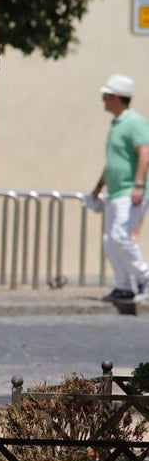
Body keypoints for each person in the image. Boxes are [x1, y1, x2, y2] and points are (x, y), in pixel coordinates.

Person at [89, 74, 149, 302]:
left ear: (116, 97)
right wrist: (98, 187)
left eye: (106, 96)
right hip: (115, 192)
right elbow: (113, 161)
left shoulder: (134, 122)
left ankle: (145, 277)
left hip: (129, 191)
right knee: (110, 240)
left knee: (120, 236)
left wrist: (139, 185)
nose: (103, 100)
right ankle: (124, 285)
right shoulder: (117, 124)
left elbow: (145, 151)